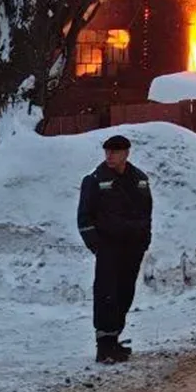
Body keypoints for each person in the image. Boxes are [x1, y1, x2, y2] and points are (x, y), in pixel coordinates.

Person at [77, 134, 153, 364]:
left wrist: (144, 239)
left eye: (115, 152)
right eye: (107, 151)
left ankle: (115, 339)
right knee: (106, 294)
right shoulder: (95, 179)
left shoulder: (139, 179)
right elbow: (84, 216)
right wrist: (97, 245)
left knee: (124, 293)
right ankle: (104, 344)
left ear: (126, 153)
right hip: (108, 247)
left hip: (132, 248)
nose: (109, 156)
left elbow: (146, 212)